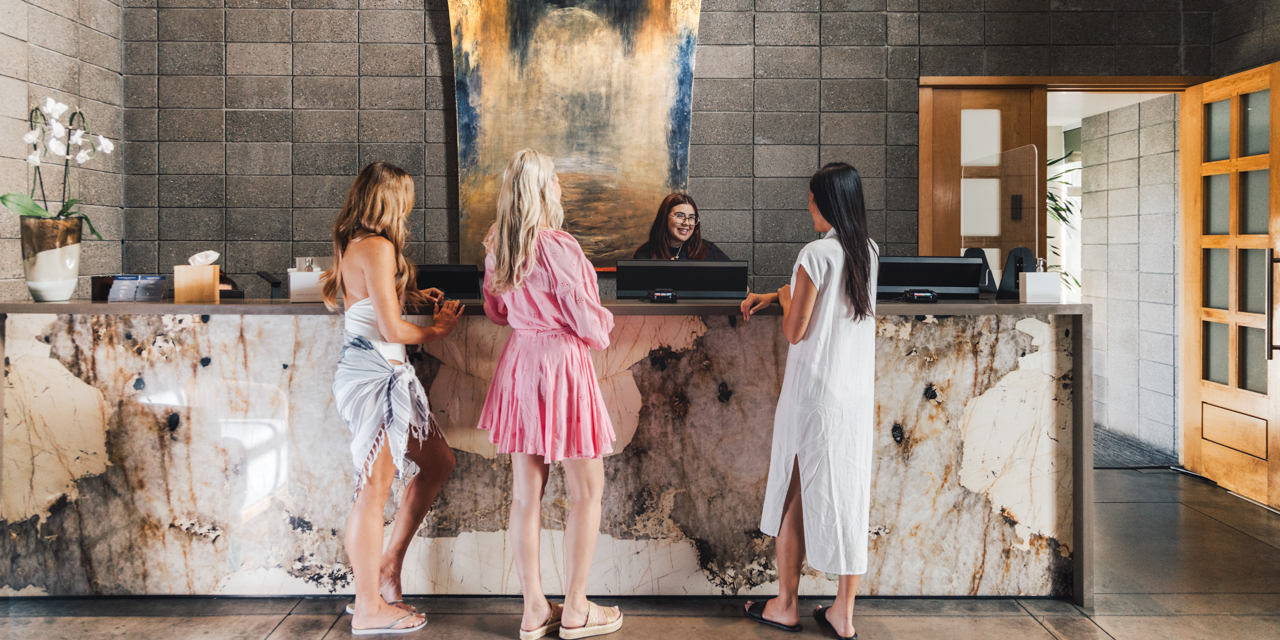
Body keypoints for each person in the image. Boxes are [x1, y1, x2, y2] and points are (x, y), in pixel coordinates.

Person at [477, 149, 623, 640]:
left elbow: (497, 312)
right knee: (587, 491)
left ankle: (534, 609)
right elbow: (590, 325)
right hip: (561, 366)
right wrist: (603, 322)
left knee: (525, 497)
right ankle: (578, 608)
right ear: (544, 189)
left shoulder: (498, 244)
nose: (561, 184)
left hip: (521, 364)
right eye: (555, 178)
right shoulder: (561, 247)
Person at [322, 161, 465, 636]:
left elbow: (370, 304)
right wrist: (439, 326)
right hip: (376, 376)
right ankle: (367, 607)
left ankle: (386, 569)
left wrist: (409, 293)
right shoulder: (379, 247)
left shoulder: (354, 242)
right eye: (405, 199)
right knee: (373, 489)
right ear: (389, 201)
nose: (410, 208)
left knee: (438, 461)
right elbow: (390, 329)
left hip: (378, 372)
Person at [739, 163, 879, 640]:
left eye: (812, 198)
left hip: (815, 395)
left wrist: (783, 299)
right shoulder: (868, 253)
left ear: (828, 202)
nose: (808, 206)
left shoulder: (815, 253)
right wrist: (779, 292)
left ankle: (785, 604)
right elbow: (832, 309)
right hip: (854, 397)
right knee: (850, 494)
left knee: (794, 492)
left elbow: (795, 330)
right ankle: (843, 611)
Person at [631, 193, 732, 261]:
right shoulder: (644, 255)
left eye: (691, 218)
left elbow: (742, 286)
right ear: (664, 218)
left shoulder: (709, 251)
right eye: (680, 215)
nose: (686, 223)